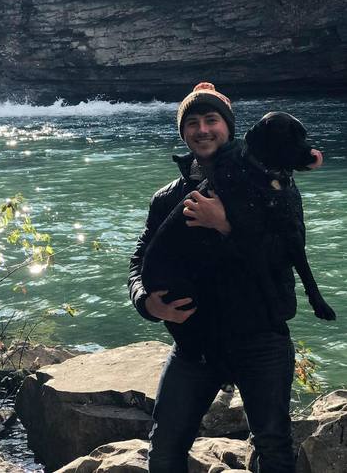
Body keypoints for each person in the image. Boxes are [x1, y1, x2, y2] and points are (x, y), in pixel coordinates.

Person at [128, 82, 322, 473]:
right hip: (195, 345)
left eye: (211, 120)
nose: (202, 130)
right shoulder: (168, 197)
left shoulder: (273, 185)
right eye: (192, 123)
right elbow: (139, 260)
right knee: (163, 453)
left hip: (260, 337)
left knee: (274, 449)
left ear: (229, 127)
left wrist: (227, 225)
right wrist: (146, 301)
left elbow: (285, 255)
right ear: (183, 132)